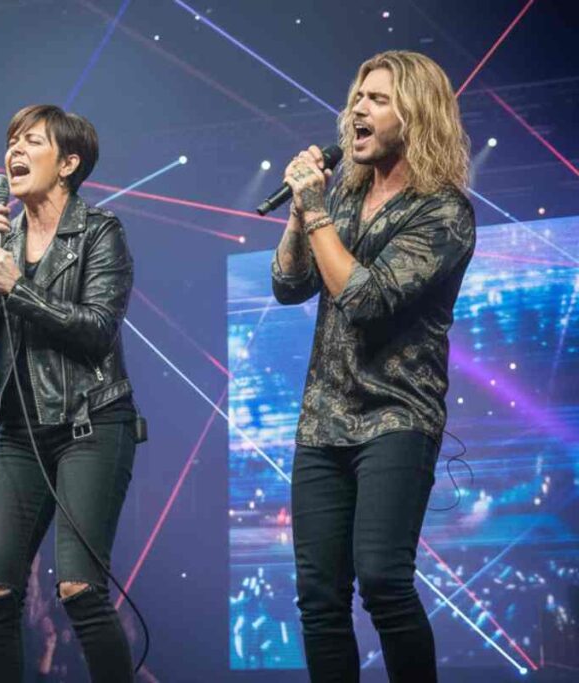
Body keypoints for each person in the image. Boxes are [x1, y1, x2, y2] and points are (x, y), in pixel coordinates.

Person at [271, 50, 475, 682]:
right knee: (319, 599)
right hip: (323, 421)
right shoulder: (345, 195)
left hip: (396, 416)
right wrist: (301, 212)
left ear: (415, 116)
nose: (358, 108)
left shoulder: (442, 211)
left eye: (378, 99)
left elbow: (364, 299)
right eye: (358, 97)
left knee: (384, 579)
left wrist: (318, 212)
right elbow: (288, 284)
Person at [0, 104, 141, 682]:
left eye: (32, 141)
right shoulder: (5, 237)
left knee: (79, 589)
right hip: (19, 434)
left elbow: (97, 329)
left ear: (67, 163)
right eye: (12, 140)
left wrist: (19, 288)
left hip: (92, 425)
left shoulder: (101, 232)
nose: (14, 150)